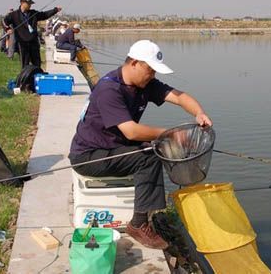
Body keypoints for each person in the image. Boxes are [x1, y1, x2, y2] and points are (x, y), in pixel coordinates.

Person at [68, 40, 212, 250]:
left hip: (113, 146)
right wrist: (171, 135)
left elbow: (180, 97)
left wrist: (198, 112)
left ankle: (147, 208)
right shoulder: (110, 89)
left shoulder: (143, 83)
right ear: (134, 63)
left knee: (154, 147)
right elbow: (131, 131)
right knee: (149, 156)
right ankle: (138, 224)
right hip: (90, 156)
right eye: (150, 70)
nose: (153, 75)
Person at [3, 0, 61, 68]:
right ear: (21, 3)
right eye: (28, 3)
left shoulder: (33, 13)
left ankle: (36, 77)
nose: (30, 5)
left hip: (34, 43)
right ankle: (26, 78)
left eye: (30, 3)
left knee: (37, 64)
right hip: (22, 44)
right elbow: (4, 21)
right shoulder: (14, 15)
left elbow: (44, 15)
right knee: (25, 65)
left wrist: (55, 10)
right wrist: (7, 29)